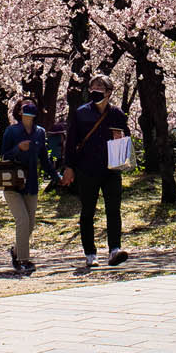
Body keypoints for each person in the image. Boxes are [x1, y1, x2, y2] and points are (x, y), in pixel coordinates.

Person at [61, 75, 131, 269]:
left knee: (113, 210)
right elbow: (72, 141)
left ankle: (114, 249)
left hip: (111, 168)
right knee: (88, 211)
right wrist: (69, 166)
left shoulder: (117, 114)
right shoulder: (81, 113)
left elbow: (127, 138)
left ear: (109, 92)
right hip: (87, 168)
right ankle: (90, 253)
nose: (95, 90)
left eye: (100, 86)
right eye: (93, 86)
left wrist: (121, 137)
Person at [0, 99, 59, 274]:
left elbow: (44, 159)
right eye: (25, 106)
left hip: (31, 183)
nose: (29, 108)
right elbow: (3, 156)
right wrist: (18, 148)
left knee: (30, 224)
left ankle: (16, 251)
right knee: (22, 220)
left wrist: (56, 177)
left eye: (31, 105)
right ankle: (23, 260)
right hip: (13, 184)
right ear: (19, 111)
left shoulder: (39, 133)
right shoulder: (11, 131)